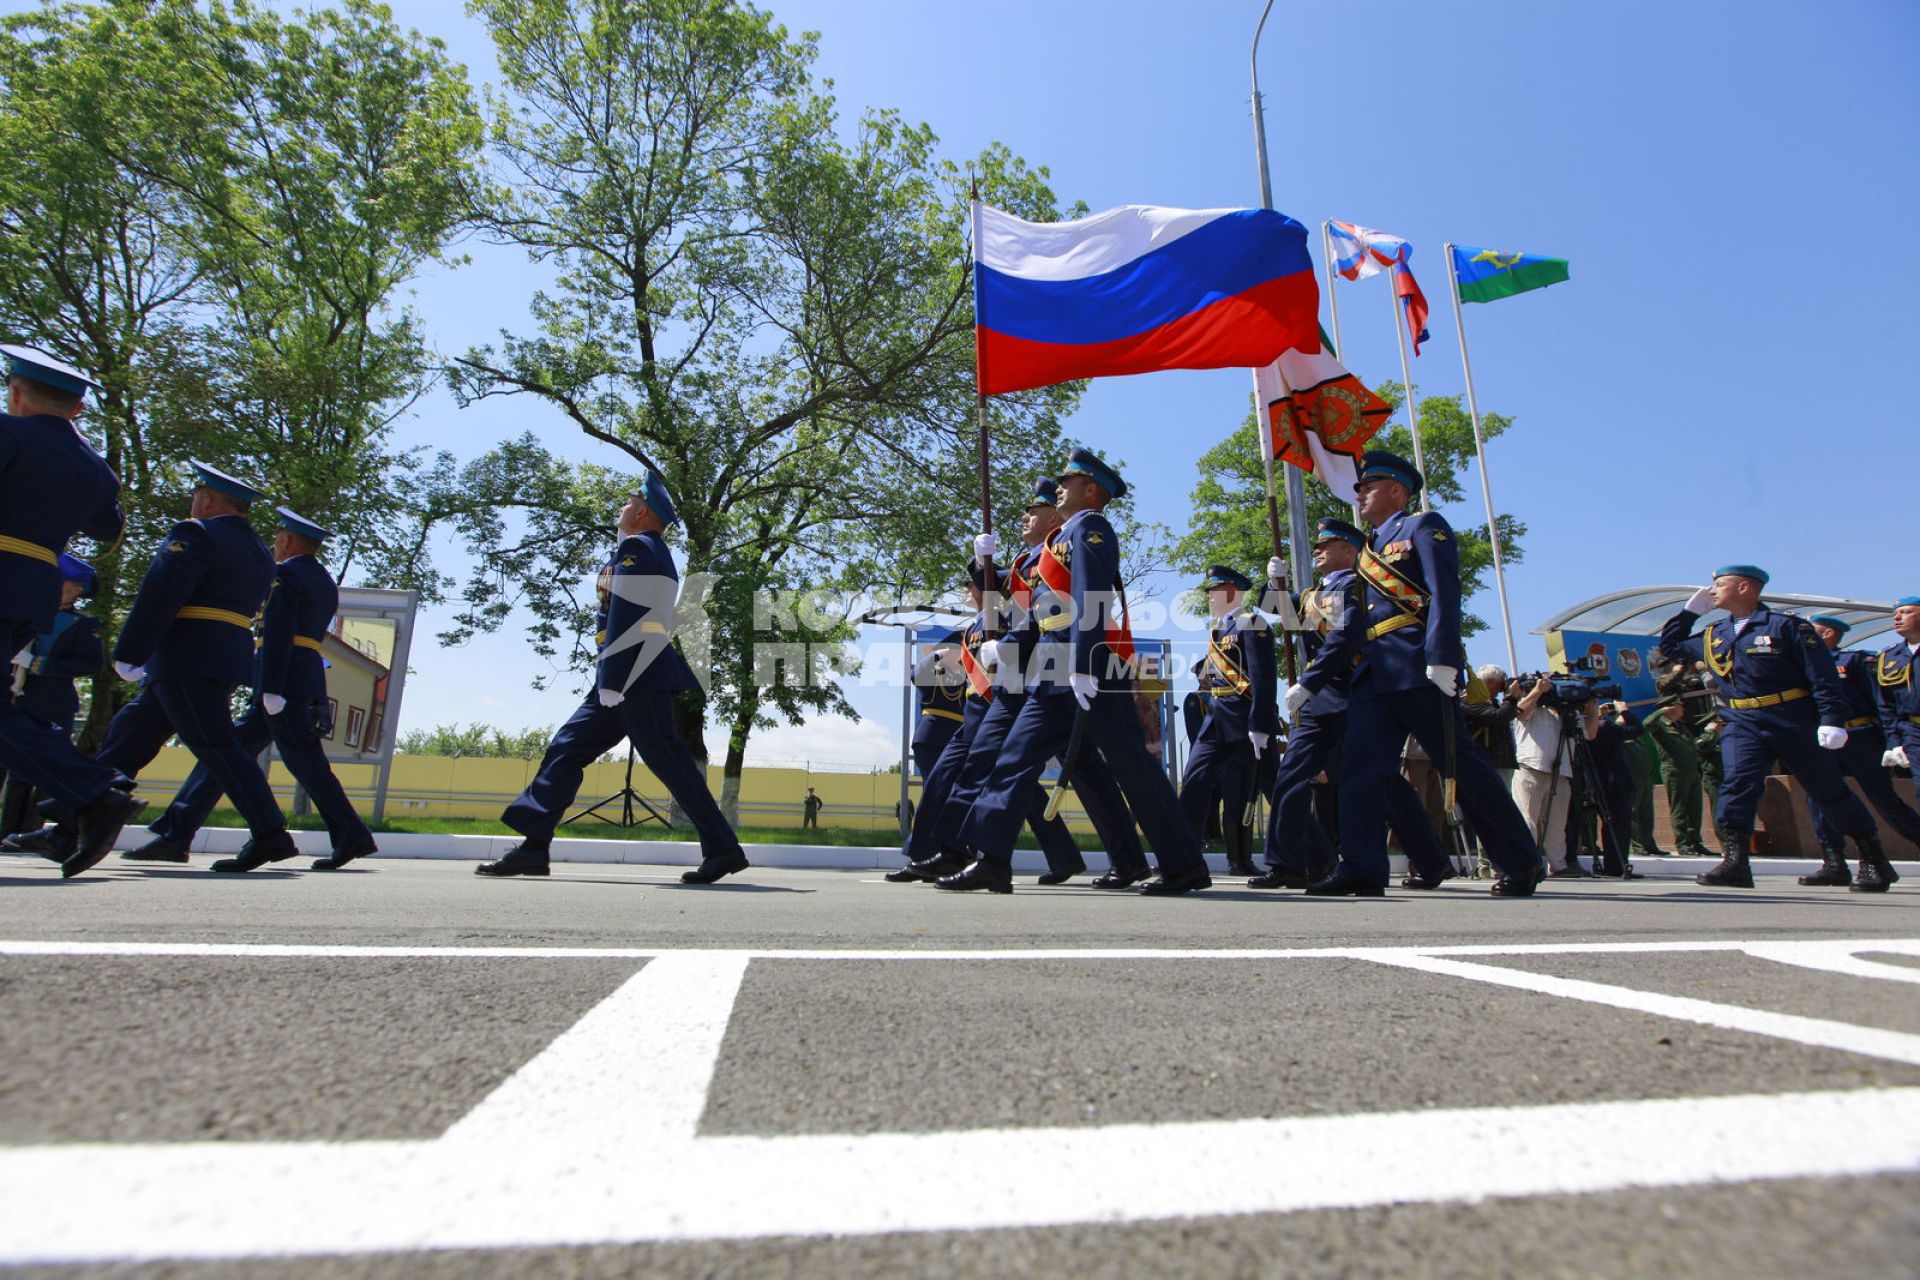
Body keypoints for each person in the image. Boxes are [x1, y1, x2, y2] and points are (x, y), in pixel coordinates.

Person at [940, 447, 1209, 894]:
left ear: (1091, 490)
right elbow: (1046, 611)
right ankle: (991, 858)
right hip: (1052, 668)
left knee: (1133, 770)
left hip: (1092, 669)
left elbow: (1092, 596)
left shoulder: (1091, 528)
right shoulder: (1057, 542)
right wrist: (1005, 648)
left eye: (1068, 482)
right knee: (1013, 758)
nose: (1058, 487)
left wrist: (1084, 666)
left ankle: (1184, 865)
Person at [1284, 450, 1545, 897]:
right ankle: (1363, 867)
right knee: (1362, 773)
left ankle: (1520, 861)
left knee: (1461, 768)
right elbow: (1350, 628)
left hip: (1418, 667)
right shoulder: (1365, 554)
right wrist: (1311, 681)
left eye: (1370, 486)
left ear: (1397, 491)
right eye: (1361, 487)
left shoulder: (1423, 526)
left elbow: (1445, 592)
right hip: (1373, 674)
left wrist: (1442, 655)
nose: (1361, 493)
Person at [479, 473, 748, 884]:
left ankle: (724, 849)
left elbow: (629, 613)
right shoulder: (634, 550)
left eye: (629, 502)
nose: (622, 507)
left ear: (641, 512)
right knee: (567, 749)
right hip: (624, 676)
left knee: (670, 764)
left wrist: (613, 679)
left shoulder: (640, 549)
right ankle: (534, 847)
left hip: (632, 676)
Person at [894, 479, 1134, 888]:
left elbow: (1063, 607)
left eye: (1035, 510)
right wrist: (981, 560)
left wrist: (1079, 661)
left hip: (1052, 674)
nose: (1026, 517)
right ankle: (959, 851)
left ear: (1056, 516)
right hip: (1026, 682)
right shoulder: (1028, 560)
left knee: (1093, 773)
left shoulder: (1062, 550)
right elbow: (998, 589)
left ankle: (1129, 860)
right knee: (992, 767)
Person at [121, 509, 379, 871]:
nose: (275, 545)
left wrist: (270, 688)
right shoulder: (321, 579)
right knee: (230, 753)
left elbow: (277, 635)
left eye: (277, 539)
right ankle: (176, 832)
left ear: (288, 541)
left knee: (297, 763)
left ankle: (349, 834)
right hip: (299, 678)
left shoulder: (286, 575)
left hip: (281, 684)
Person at [83, 460, 294, 878]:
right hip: (217, 655)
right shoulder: (257, 550)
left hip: (186, 655)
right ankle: (73, 818)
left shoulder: (195, 534)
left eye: (196, 494)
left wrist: (132, 649)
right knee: (127, 738)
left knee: (219, 748)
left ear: (206, 498)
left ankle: (271, 832)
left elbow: (160, 592)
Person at [1658, 566, 1894, 891]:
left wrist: (1831, 720)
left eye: (1720, 584)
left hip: (1791, 716)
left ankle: (1873, 859)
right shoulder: (1715, 634)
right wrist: (1687, 615)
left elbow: (1823, 677)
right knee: (1737, 785)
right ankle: (1736, 862)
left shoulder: (1787, 627)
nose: (1712, 591)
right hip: (1742, 720)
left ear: (1745, 588)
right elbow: (1670, 648)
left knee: (1827, 790)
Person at [1251, 517, 1454, 891]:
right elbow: (1278, 609)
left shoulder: (1359, 587)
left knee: (1384, 785)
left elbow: (1344, 639)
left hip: (1350, 695)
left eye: (1326, 546)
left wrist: (1309, 682)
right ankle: (1287, 862)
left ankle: (1432, 860)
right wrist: (1273, 582)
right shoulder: (1314, 594)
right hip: (1315, 705)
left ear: (1350, 550)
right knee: (1291, 775)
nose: (1318, 552)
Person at [0, 344, 143, 873]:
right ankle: (92, 793)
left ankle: (94, 793)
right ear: (78, 410)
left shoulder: (7, 433)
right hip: (34, 588)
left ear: (16, 393)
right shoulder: (96, 469)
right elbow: (107, 529)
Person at [1796, 613, 1920, 885]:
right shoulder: (1800, 666)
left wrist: (1891, 740)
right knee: (1820, 799)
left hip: (1860, 736)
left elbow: (1880, 702)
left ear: (1827, 634)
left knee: (1884, 799)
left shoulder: (1853, 661)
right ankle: (1834, 863)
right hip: (1822, 739)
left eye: (1811, 631)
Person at [1178, 565, 1275, 877]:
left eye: (1214, 591)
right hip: (1216, 720)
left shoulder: (1252, 623)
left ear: (1232, 593)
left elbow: (1263, 678)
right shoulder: (1217, 630)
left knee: (1244, 792)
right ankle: (1180, 856)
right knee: (1193, 784)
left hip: (1244, 721)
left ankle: (1242, 860)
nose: (1208, 597)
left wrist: (1260, 724)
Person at [1, 554, 104, 834]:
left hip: (50, 700)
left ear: (77, 590)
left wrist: (37, 663)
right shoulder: (26, 610)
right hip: (12, 694)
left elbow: (89, 663)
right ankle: (8, 829)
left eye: (65, 584)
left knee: (36, 766)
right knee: (9, 767)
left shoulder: (82, 624)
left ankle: (26, 830)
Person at [1510, 674, 1598, 877]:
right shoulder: (1535, 705)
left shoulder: (1570, 713)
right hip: (1531, 767)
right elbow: (1520, 712)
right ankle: (1528, 863)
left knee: (1558, 822)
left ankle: (1558, 865)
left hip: (1561, 772)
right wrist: (1539, 690)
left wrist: (1593, 709)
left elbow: (1590, 734)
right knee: (1528, 819)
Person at [1641, 692, 1705, 855]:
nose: (1683, 709)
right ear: (1670, 708)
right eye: (1679, 706)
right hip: (1674, 770)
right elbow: (1647, 724)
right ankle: (1683, 844)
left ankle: (1695, 842)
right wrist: (1661, 712)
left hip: (1691, 770)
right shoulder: (1660, 725)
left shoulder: (1680, 726)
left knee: (1695, 809)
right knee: (1680, 808)